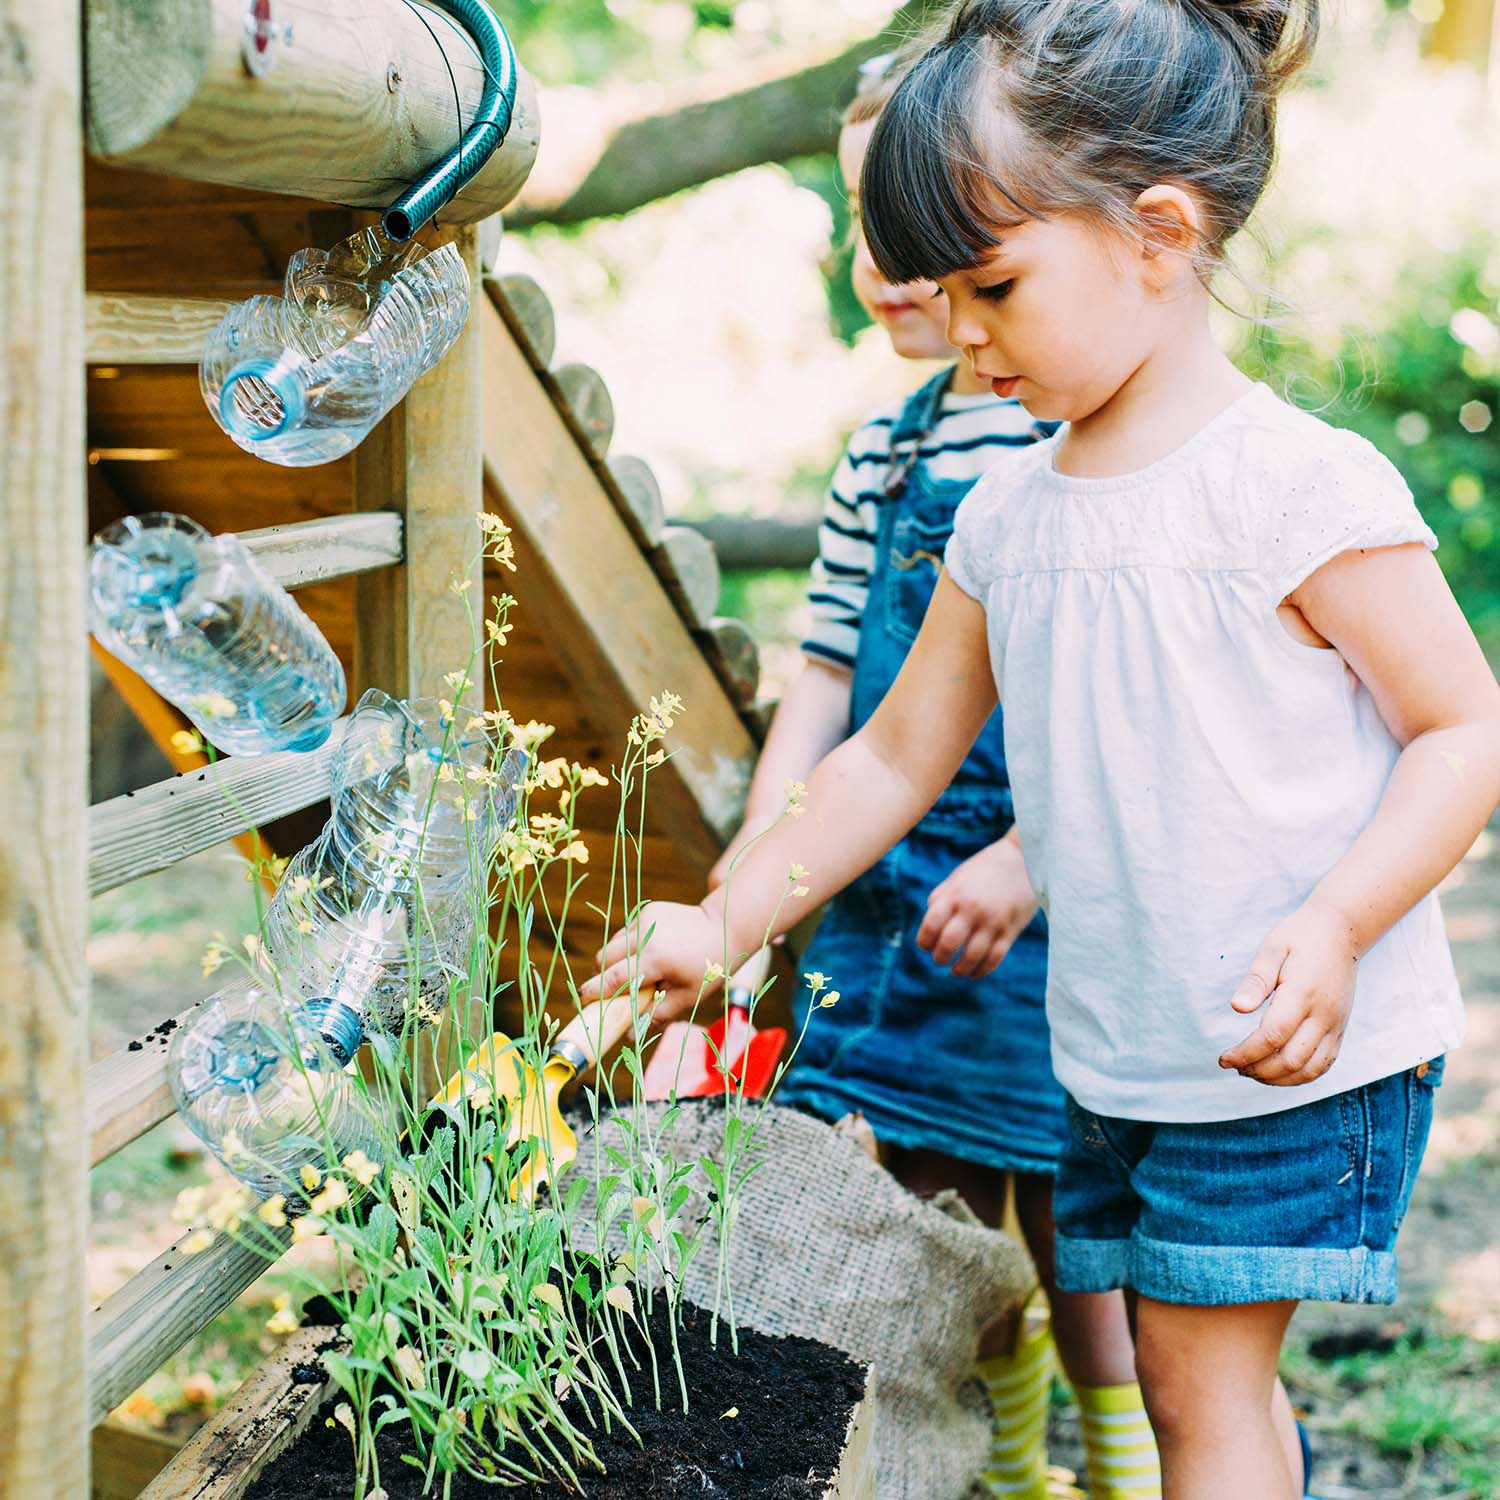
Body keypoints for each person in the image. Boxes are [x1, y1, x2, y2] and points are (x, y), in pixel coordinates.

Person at [585, 3, 1500, 1496]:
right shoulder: (1005, 513)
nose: (960, 334)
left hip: (1285, 1053)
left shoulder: (1294, 487)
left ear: (1156, 231)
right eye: (940, 293)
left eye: (994, 285)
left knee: (1194, 1391)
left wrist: (1339, 926)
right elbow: (890, 757)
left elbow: (1465, 729)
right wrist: (724, 916)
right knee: (1205, 1377)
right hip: (1125, 1049)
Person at [705, 47, 1155, 1500]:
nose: (887, 266)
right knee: (922, 1201)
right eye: (860, 224)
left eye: (920, 232)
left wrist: (1033, 854)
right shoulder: (877, 459)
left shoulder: (1076, 421)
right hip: (888, 887)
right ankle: (1001, 1447)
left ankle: (1127, 1454)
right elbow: (834, 678)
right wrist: (766, 851)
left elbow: (1129, 695)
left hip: (1058, 892)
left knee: (1073, 1212)